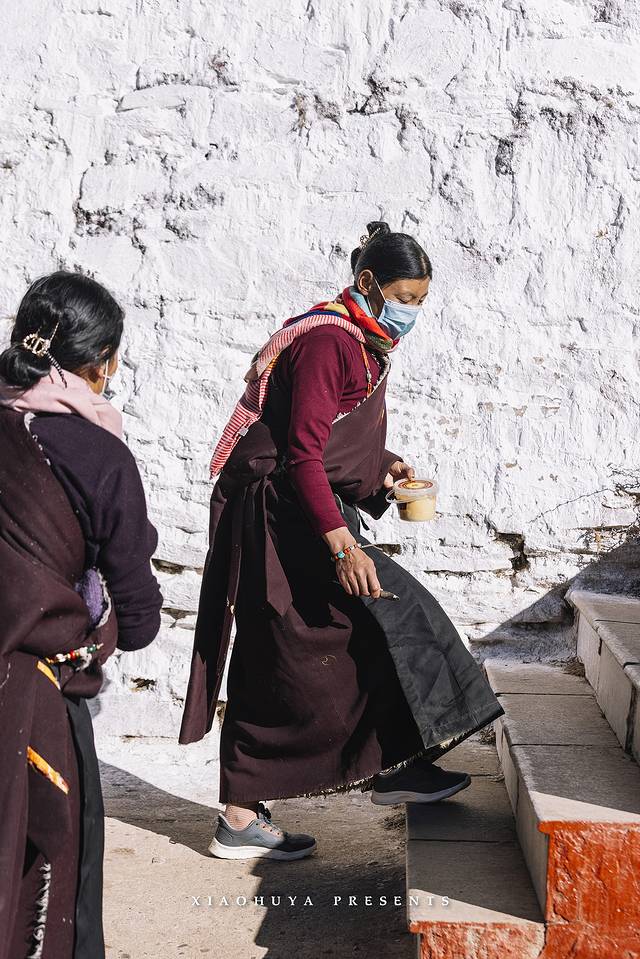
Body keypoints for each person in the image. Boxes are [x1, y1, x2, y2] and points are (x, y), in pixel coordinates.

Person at [179, 222, 504, 861]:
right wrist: (342, 546)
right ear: (368, 283)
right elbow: (302, 454)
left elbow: (332, 441)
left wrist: (384, 467)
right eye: (405, 298)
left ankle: (397, 764)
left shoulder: (364, 340)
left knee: (377, 628)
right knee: (287, 648)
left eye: (421, 301)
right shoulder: (328, 340)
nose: (412, 312)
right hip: (281, 516)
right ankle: (240, 815)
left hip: (311, 510)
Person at [0, 271, 162, 958]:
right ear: (103, 363)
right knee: (46, 873)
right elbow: (140, 615)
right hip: (35, 698)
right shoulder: (100, 455)